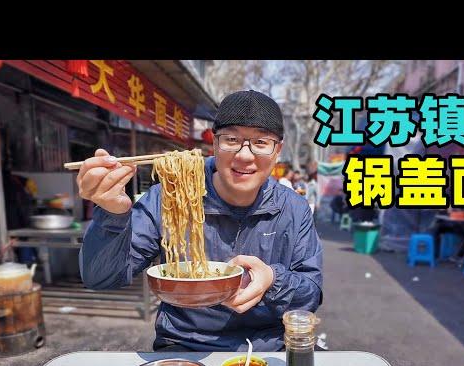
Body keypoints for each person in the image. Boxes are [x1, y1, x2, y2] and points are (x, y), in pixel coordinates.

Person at [77, 90, 323, 352]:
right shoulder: (169, 196)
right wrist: (112, 214)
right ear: (214, 144)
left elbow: (311, 294)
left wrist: (274, 279)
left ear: (277, 151)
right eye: (231, 139)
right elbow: (100, 278)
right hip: (185, 343)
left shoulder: (294, 209)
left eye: (261, 142)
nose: (245, 155)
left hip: (270, 346)